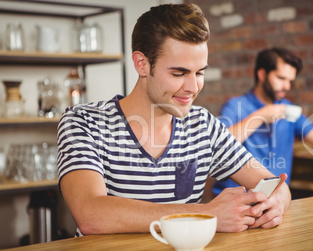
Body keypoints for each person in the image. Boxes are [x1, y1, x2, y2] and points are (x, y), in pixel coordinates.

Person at [57, 4, 291, 237]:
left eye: (199, 73)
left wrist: (276, 203)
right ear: (142, 64)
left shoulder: (203, 125)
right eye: (178, 73)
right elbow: (91, 215)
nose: (192, 88)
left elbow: (275, 184)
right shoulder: (82, 122)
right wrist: (205, 215)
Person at [212, 47, 313, 195]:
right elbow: (219, 146)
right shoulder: (236, 105)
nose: (287, 86)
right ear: (262, 74)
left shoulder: (288, 109)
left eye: (290, 81)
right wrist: (262, 115)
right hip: (236, 199)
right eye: (281, 78)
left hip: (275, 199)